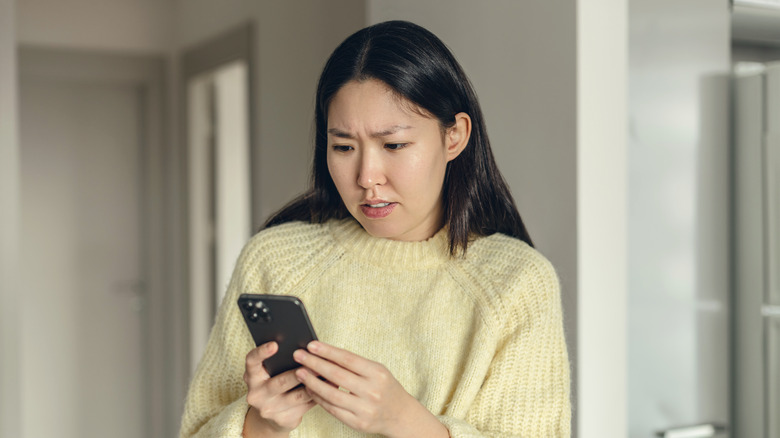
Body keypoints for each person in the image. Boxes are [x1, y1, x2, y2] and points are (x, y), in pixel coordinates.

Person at [179, 20, 570, 438]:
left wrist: (405, 422)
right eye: (343, 147)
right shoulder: (275, 261)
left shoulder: (516, 283)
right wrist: (261, 425)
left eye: (394, 145)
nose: (366, 176)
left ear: (454, 136)